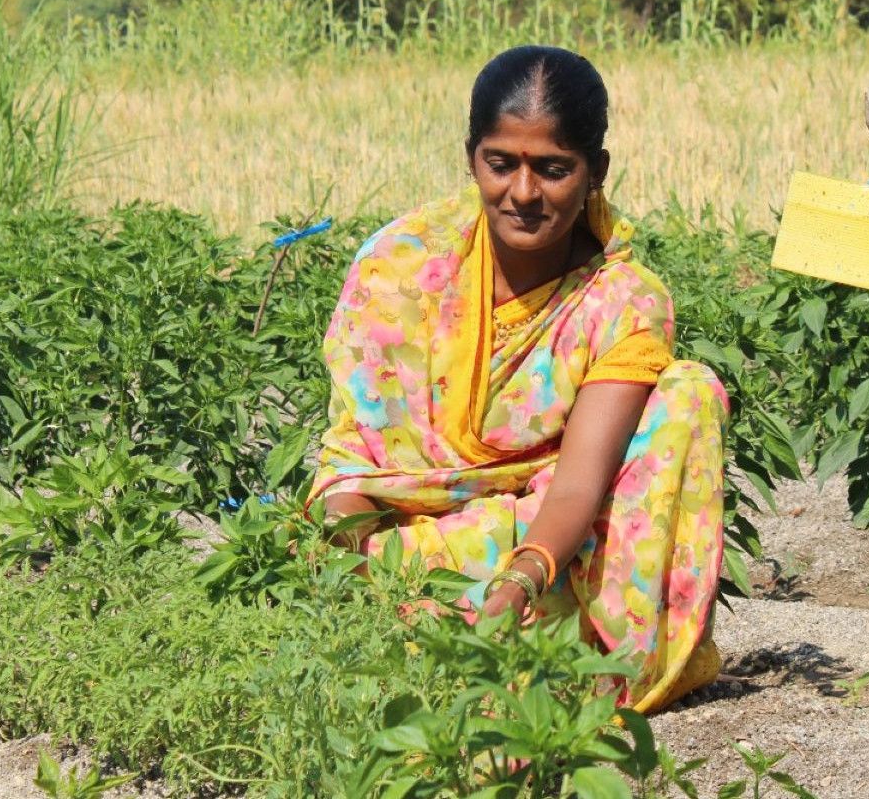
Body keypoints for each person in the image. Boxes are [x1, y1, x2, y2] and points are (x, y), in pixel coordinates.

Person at [310, 44, 728, 713]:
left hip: (546, 544)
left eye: (554, 169)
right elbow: (352, 464)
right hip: (407, 538)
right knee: (322, 564)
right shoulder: (401, 265)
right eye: (500, 164)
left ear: (596, 172)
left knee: (688, 393)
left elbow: (576, 491)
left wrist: (523, 581)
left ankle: (587, 655)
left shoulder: (622, 302)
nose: (524, 194)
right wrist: (352, 563)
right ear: (471, 156)